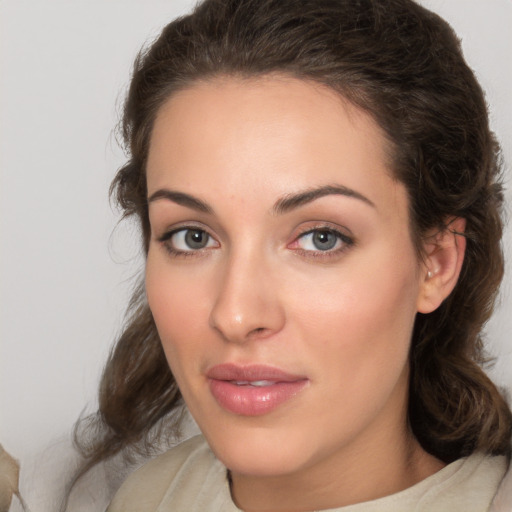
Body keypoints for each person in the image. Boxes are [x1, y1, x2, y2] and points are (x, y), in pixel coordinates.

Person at [68, 0, 512, 510]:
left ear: (435, 263)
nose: (236, 314)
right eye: (192, 237)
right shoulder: (137, 497)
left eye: (321, 238)